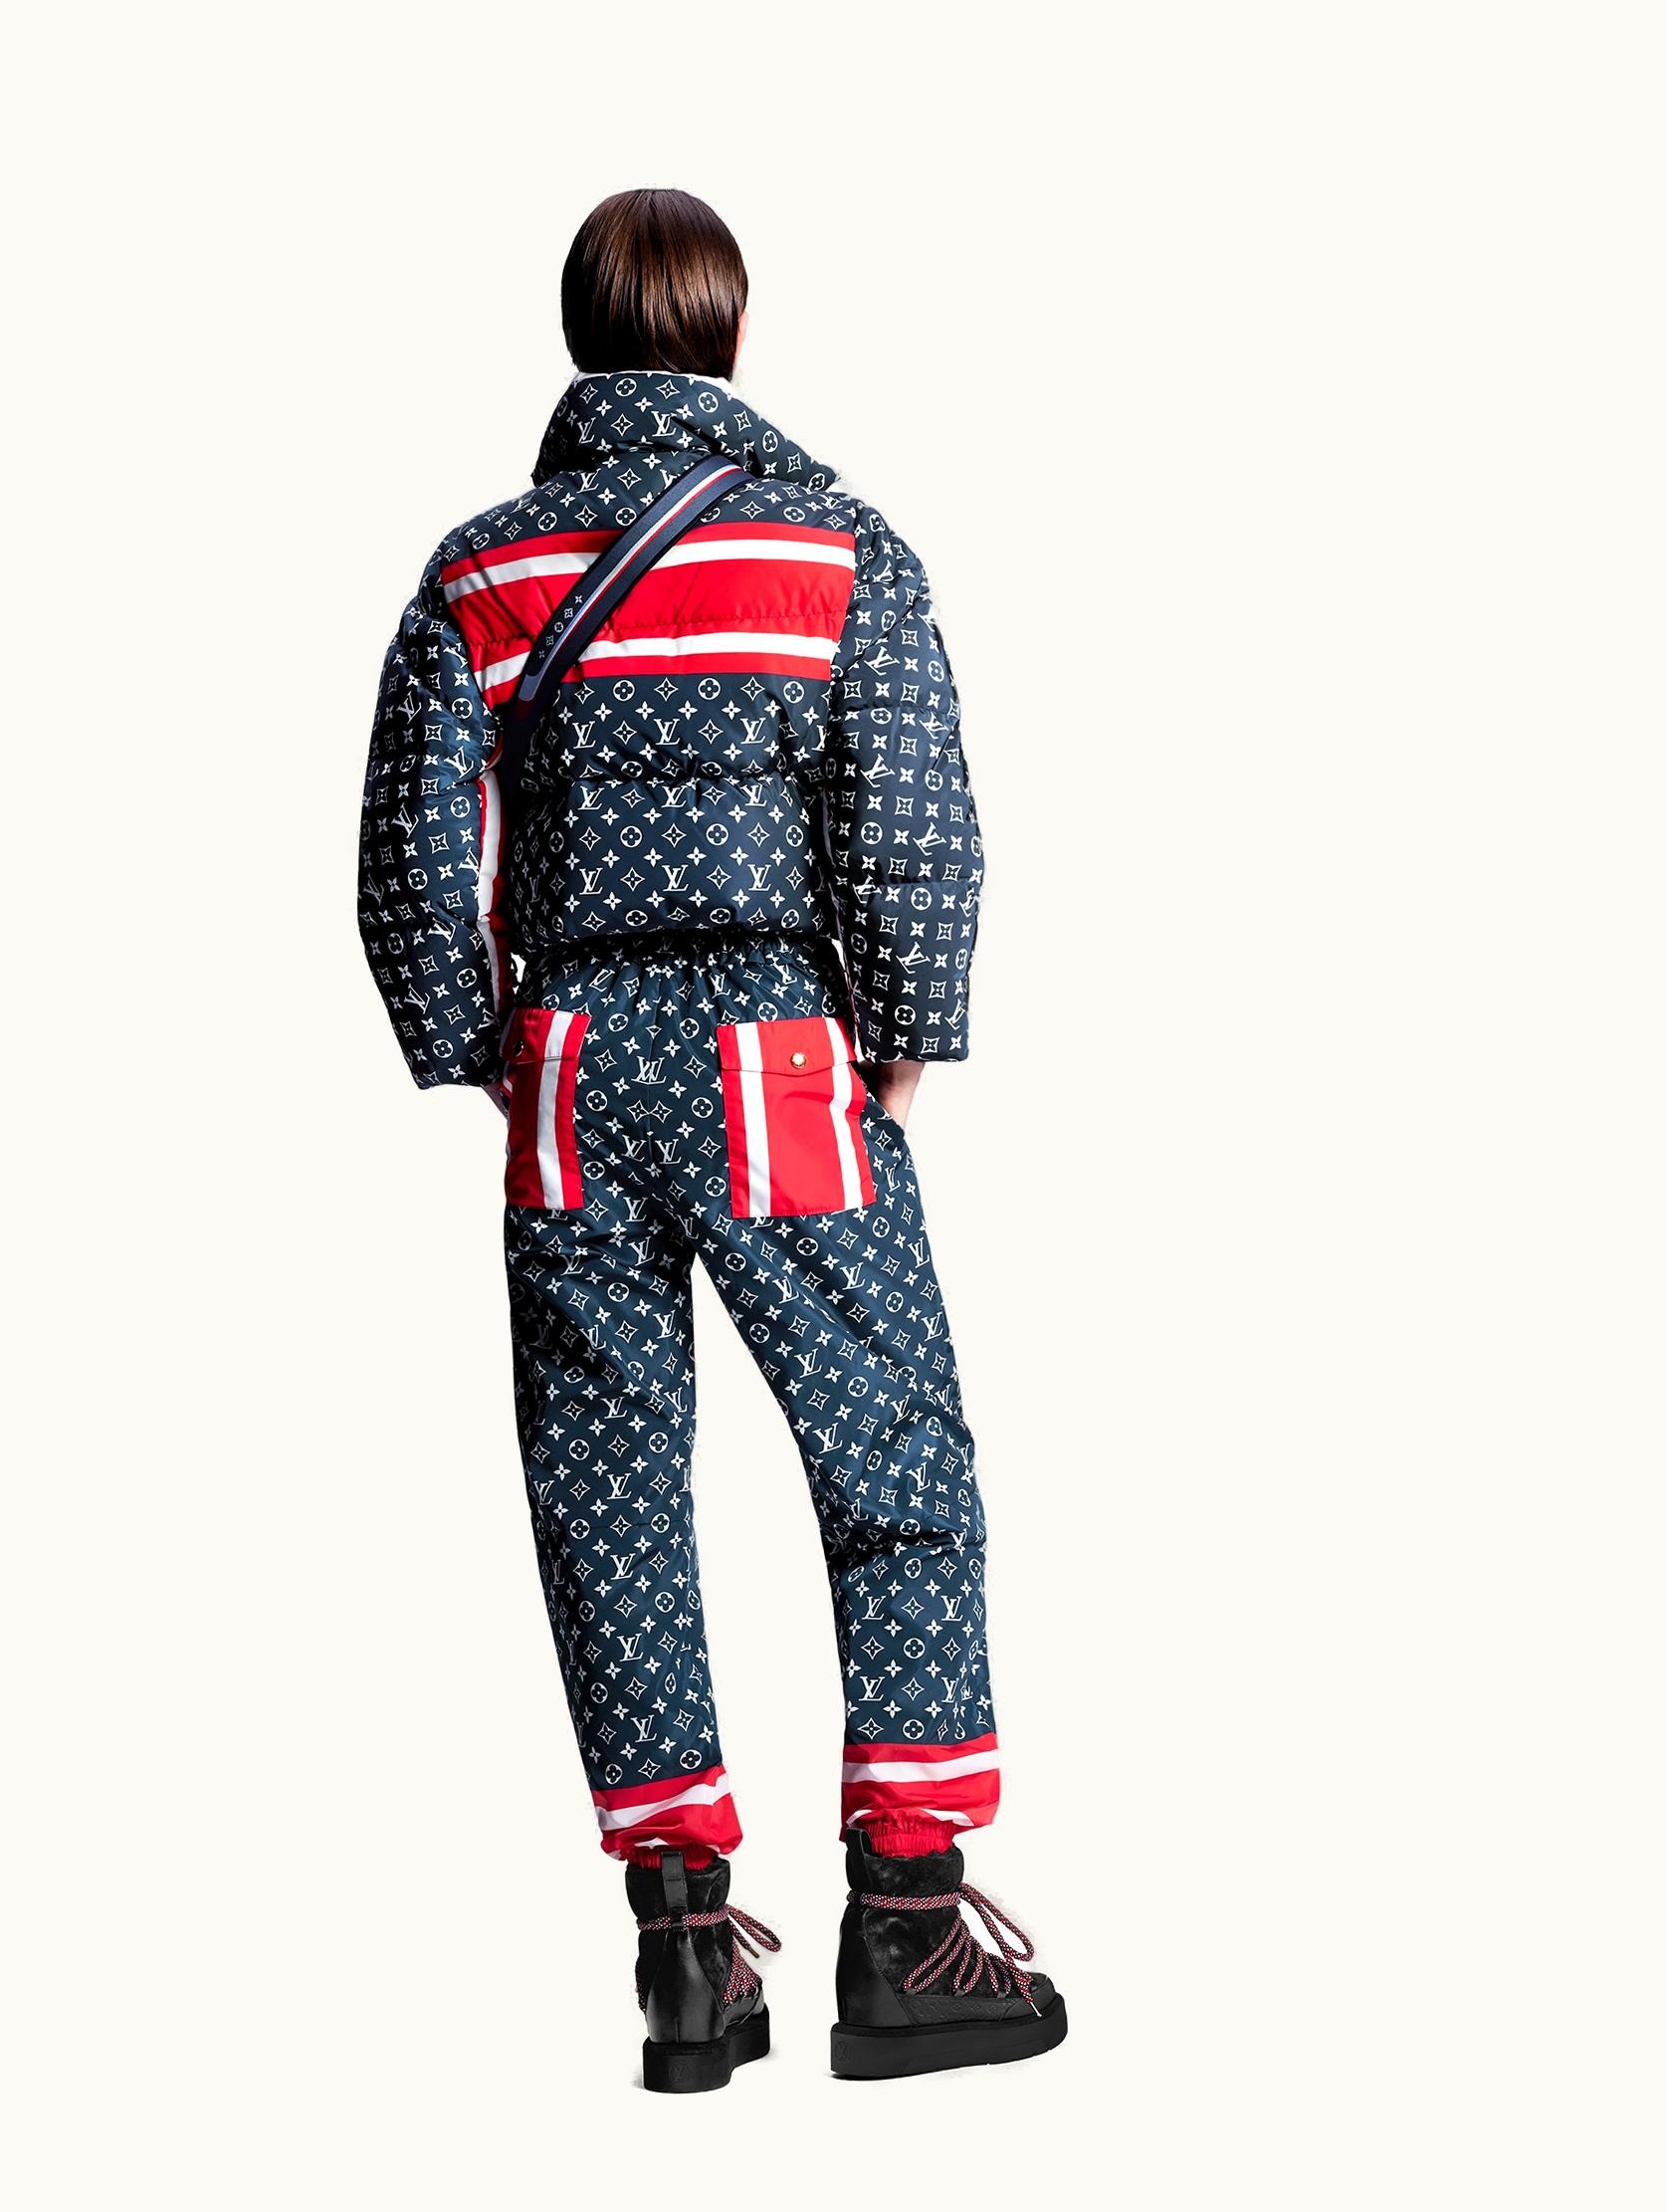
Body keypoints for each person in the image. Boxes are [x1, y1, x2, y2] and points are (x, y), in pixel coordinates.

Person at [359, 187, 1065, 2090]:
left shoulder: (479, 570)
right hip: (774, 1049)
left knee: (604, 1490)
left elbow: (409, 862)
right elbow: (910, 814)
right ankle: (907, 1920)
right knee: (893, 1458)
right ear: (733, 332)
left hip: (573, 1057)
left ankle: (686, 1953)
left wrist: (486, 1053)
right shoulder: (832, 544)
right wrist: (900, 1034)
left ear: (579, 336)